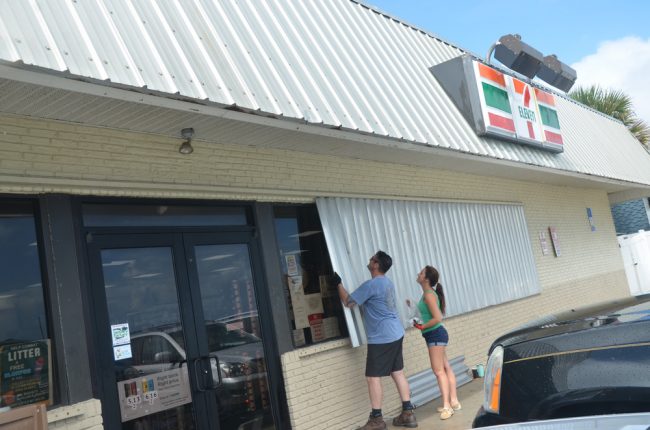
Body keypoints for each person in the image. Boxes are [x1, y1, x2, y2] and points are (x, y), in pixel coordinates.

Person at [333, 251, 417, 429]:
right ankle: (408, 413)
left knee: (372, 377)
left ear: (377, 265)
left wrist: (338, 283)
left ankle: (377, 419)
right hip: (396, 332)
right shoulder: (387, 282)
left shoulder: (371, 285)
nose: (369, 261)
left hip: (382, 337)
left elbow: (348, 302)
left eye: (372, 259)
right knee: (397, 372)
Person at [411, 265, 460, 420]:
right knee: (445, 368)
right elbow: (427, 313)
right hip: (435, 335)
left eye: (421, 273)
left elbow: (437, 317)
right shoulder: (427, 294)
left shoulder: (429, 295)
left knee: (438, 371)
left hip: (435, 335)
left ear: (426, 279)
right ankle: (454, 401)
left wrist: (422, 326)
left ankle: (447, 406)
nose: (418, 274)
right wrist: (412, 307)